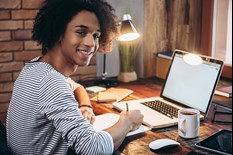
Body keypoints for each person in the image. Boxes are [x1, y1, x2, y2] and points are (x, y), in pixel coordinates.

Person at [6, 0, 144, 154]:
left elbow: (76, 86)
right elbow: (91, 149)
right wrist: (128, 121)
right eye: (81, 32)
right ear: (58, 32)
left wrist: (85, 106)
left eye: (96, 35)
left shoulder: (35, 68)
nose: (91, 43)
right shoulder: (50, 82)